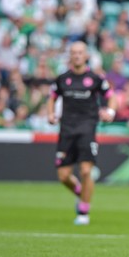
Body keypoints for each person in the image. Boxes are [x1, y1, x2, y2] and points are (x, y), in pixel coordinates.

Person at [47, 41, 117, 225]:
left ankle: (83, 212)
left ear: (86, 55)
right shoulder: (62, 79)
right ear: (70, 56)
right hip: (67, 129)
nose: (77, 55)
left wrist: (110, 112)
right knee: (63, 176)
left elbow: (111, 97)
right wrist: (50, 114)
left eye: (80, 52)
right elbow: (52, 98)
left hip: (87, 128)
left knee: (86, 171)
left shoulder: (95, 78)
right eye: (74, 53)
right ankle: (81, 192)